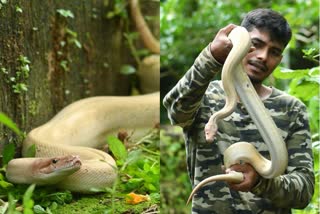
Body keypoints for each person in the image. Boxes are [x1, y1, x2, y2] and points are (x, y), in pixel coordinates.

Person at [163, 8, 314, 213]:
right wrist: (211, 57)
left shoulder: (292, 110)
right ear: (240, 44)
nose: (262, 56)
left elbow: (303, 192)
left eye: (274, 52)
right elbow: (175, 111)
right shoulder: (204, 96)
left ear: (280, 58)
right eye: (256, 44)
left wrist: (260, 182)